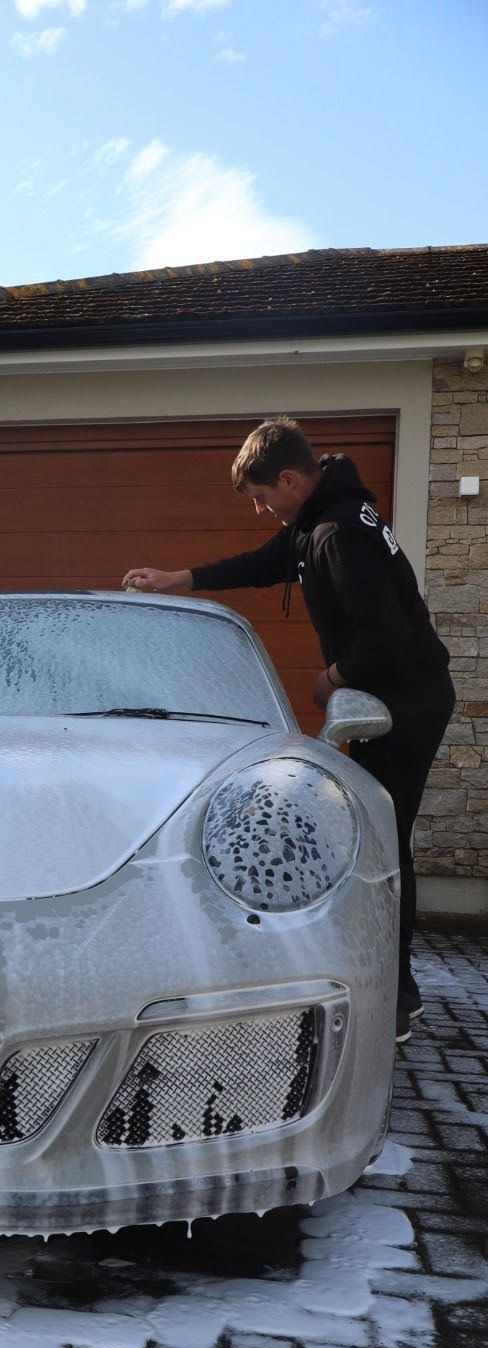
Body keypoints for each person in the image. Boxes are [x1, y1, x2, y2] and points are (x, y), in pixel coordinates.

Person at [123, 416, 454, 1044]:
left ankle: (398, 995)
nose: (259, 508)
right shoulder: (315, 522)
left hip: (407, 702)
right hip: (384, 698)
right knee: (378, 831)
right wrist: (178, 580)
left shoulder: (338, 533)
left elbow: (392, 634)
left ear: (292, 479)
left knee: (384, 839)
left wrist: (332, 678)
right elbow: (261, 564)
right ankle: (388, 974)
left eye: (261, 495)